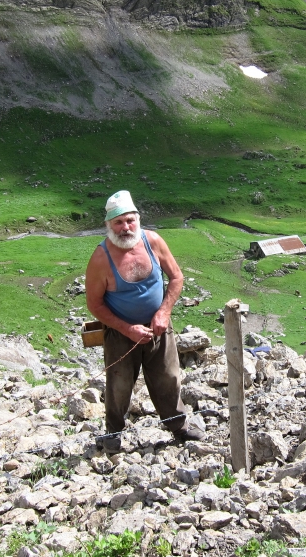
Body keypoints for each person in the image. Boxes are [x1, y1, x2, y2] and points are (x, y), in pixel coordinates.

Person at [85, 190, 204, 452]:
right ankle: (113, 433)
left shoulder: (153, 241)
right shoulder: (101, 258)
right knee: (118, 384)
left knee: (169, 377)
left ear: (137, 219)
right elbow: (94, 304)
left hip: (158, 327)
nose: (125, 227)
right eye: (118, 222)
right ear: (108, 225)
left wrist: (163, 312)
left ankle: (179, 427)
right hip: (120, 333)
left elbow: (176, 277)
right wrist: (127, 329)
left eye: (130, 220)